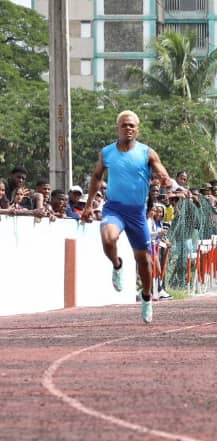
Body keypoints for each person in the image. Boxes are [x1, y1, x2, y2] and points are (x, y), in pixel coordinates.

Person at [82, 110, 174, 324]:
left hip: (137, 213)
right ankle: (117, 265)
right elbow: (96, 177)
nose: (128, 128)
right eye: (124, 125)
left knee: (144, 262)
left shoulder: (147, 152)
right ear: (118, 128)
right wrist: (88, 206)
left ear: (137, 129)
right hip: (114, 208)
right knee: (108, 238)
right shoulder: (107, 153)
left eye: (132, 125)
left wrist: (165, 178)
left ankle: (146, 298)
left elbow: (161, 170)